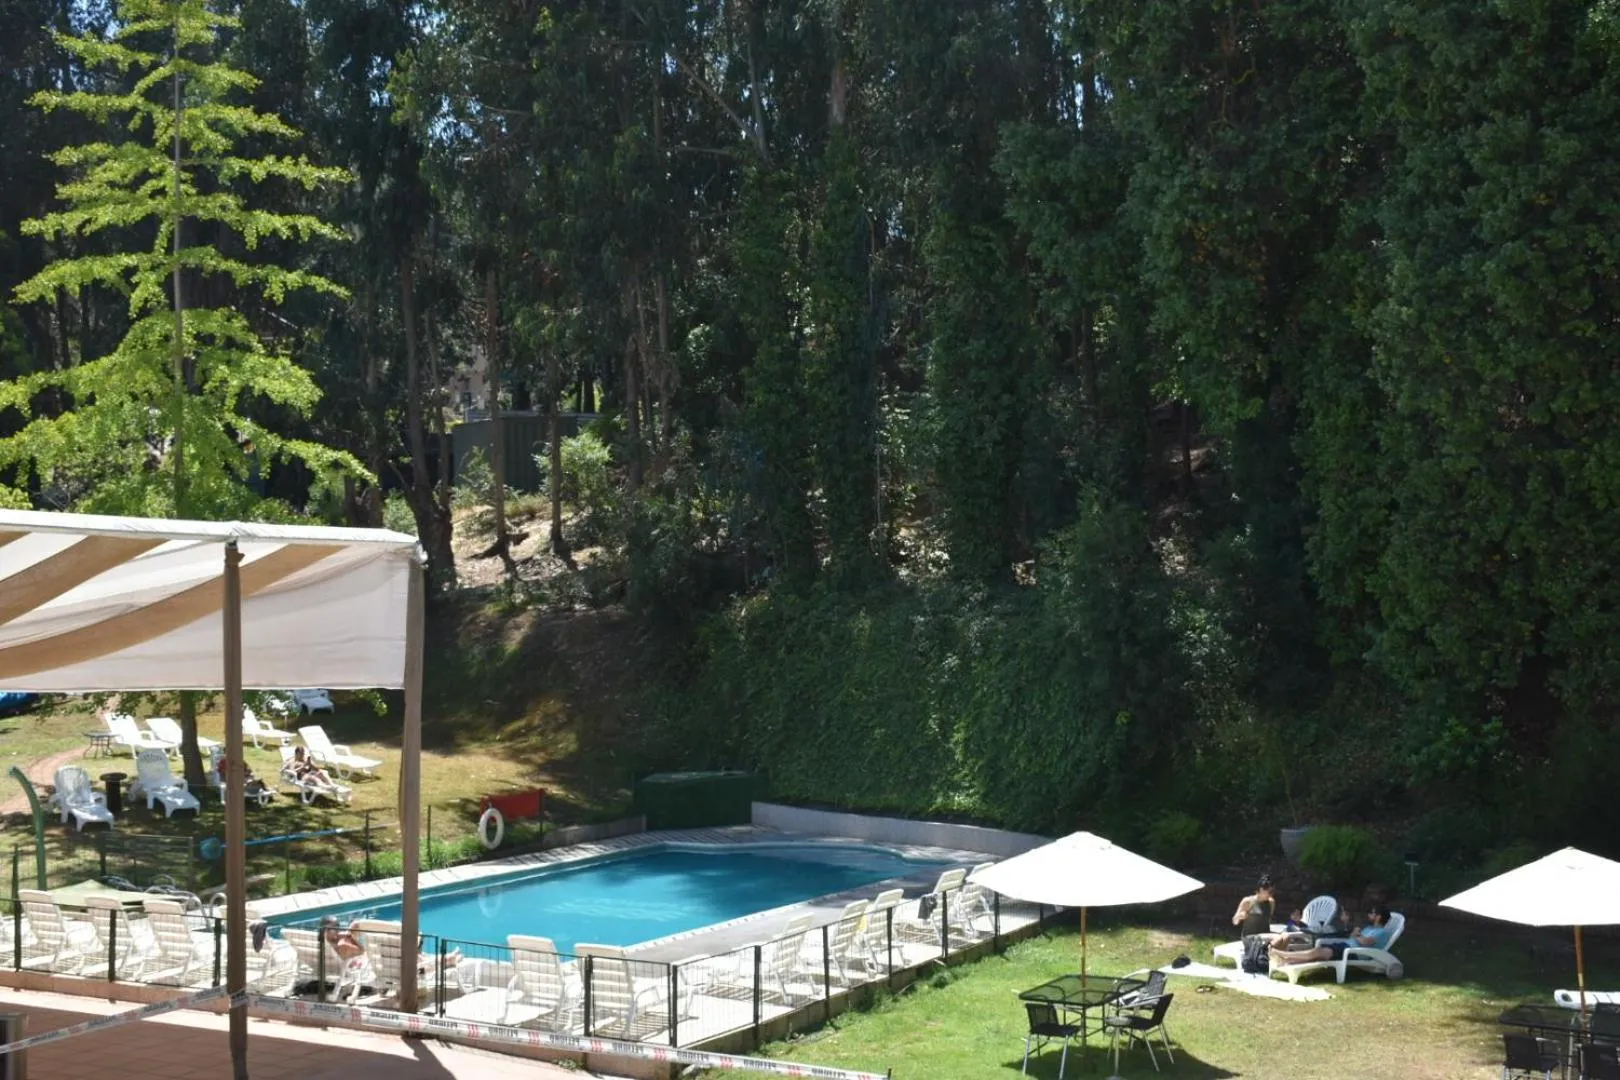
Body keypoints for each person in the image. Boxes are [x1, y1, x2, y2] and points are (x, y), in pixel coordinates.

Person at [1270, 903, 1395, 968]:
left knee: (1318, 952)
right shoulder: (1369, 928)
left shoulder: (1382, 932)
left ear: (1378, 917)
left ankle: (1282, 954)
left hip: (1353, 952)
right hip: (1347, 946)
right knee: (1319, 951)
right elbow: (1355, 936)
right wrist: (1355, 934)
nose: (1369, 914)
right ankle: (1288, 961)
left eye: (1372, 913)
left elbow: (1366, 942)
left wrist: (1357, 935)